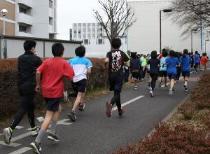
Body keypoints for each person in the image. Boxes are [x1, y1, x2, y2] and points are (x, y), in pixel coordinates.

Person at [30, 43, 74, 154]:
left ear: (52, 51)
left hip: (46, 91)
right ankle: (37, 142)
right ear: (62, 51)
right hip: (55, 92)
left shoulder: (47, 61)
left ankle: (53, 133)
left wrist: (38, 84)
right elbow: (71, 76)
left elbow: (38, 71)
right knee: (49, 116)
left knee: (58, 109)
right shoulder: (64, 62)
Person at [3, 40, 42, 144]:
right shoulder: (36, 59)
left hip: (21, 86)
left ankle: (33, 129)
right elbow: (41, 70)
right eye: (35, 47)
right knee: (24, 107)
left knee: (30, 106)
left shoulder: (20, 58)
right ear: (33, 48)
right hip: (31, 86)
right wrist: (37, 57)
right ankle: (10, 129)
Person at [67, 45, 92, 122]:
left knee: (81, 91)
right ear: (84, 53)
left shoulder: (71, 60)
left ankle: (81, 104)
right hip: (82, 79)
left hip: (73, 80)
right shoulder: (87, 61)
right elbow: (89, 71)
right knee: (79, 95)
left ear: (76, 53)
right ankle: (73, 111)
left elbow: (67, 67)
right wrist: (85, 72)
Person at [105, 38, 129, 118]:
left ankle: (119, 110)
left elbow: (106, 61)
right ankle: (111, 104)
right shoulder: (122, 53)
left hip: (111, 76)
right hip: (119, 75)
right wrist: (124, 64)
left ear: (112, 45)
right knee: (117, 93)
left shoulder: (109, 53)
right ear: (120, 45)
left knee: (116, 93)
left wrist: (106, 67)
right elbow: (127, 62)